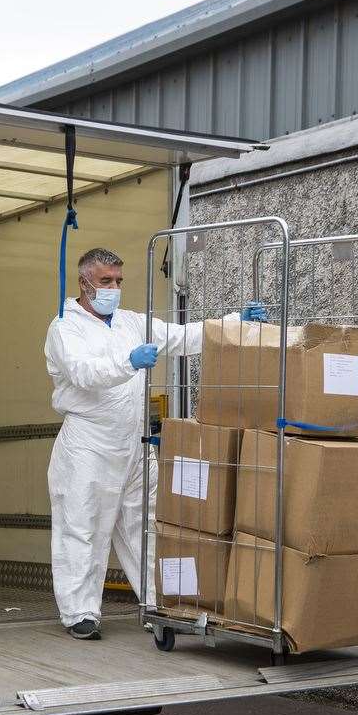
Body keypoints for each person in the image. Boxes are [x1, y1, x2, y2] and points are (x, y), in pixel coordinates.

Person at [43, 247, 219, 640]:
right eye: (106, 281)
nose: (114, 288)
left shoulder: (130, 323)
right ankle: (80, 613)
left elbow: (180, 336)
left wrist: (233, 325)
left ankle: (162, 604)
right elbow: (83, 373)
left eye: (119, 281)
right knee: (84, 527)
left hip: (136, 445)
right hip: (89, 443)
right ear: (84, 282)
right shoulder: (64, 328)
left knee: (150, 526)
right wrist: (129, 362)